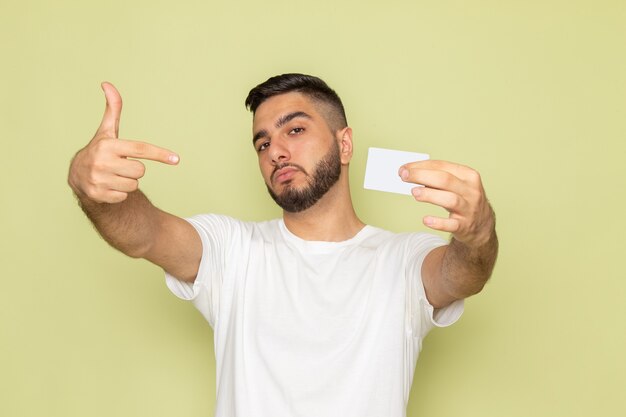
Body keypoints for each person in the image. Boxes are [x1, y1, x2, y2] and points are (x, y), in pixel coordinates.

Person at [68, 73, 498, 417]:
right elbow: (144, 233)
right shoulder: (233, 250)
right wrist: (93, 189)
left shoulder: (402, 260)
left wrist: (479, 233)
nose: (275, 151)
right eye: (263, 142)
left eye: (295, 129)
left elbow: (461, 273)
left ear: (344, 144)